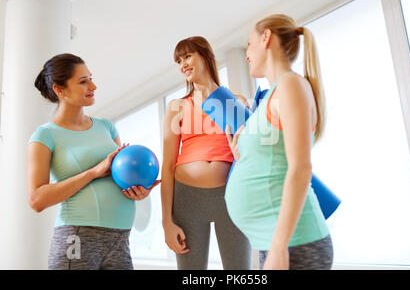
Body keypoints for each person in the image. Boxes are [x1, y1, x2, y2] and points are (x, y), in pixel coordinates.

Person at [27, 53, 160, 270]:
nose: (93, 85)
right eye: (83, 81)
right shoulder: (45, 135)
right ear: (60, 90)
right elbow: (36, 199)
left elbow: (118, 176)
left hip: (120, 238)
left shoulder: (106, 127)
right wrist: (93, 172)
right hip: (78, 237)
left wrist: (137, 191)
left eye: (91, 78)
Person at [225, 14, 333, 270]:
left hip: (294, 244)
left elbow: (301, 168)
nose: (247, 53)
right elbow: (273, 162)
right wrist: (242, 156)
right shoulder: (274, 93)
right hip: (274, 242)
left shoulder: (290, 85)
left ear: (266, 38)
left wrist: (279, 247)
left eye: (250, 44)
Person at [161, 36, 252, 270]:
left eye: (188, 56)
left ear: (206, 56)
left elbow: (252, 155)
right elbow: (167, 166)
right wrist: (166, 222)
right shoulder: (176, 108)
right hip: (187, 200)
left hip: (231, 197)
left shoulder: (237, 102)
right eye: (179, 61)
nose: (183, 64)